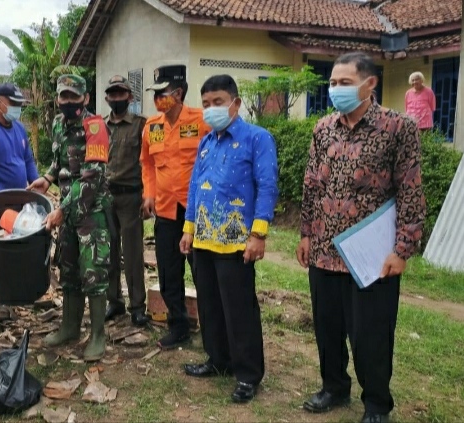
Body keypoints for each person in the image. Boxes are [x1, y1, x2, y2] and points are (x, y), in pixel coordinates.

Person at [297, 52, 425, 423]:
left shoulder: (398, 128)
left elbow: (411, 193)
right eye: (333, 83)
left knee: (371, 332)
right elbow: (311, 184)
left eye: (345, 83)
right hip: (323, 248)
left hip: (371, 255)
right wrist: (305, 233)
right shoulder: (323, 129)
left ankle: (376, 403)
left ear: (371, 84)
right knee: (327, 326)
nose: (336, 89)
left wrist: (402, 249)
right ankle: (334, 387)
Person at [180, 74, 278, 403]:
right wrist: (188, 230)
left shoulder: (257, 138)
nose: (211, 109)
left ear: (235, 102)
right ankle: (218, 359)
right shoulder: (207, 142)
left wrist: (258, 234)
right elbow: (195, 187)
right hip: (204, 239)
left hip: (237, 240)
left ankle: (248, 374)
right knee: (209, 305)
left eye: (218, 102)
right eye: (206, 104)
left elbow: (266, 186)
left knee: (239, 310)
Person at [28, 74, 111, 362]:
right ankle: (70, 327)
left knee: (93, 271)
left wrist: (62, 209)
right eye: (63, 97)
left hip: (91, 212)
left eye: (74, 97)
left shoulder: (96, 128)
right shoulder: (57, 124)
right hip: (66, 212)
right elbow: (59, 162)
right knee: (70, 268)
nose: (68, 102)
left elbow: (90, 177)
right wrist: (47, 178)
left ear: (85, 98)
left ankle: (98, 334)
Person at [140, 65, 211, 349]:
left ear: (178, 93)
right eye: (155, 94)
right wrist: (149, 193)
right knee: (169, 272)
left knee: (202, 271)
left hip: (197, 211)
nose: (157, 99)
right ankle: (178, 325)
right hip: (167, 211)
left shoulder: (202, 121)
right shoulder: (152, 127)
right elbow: (146, 163)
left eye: (162, 93)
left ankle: (212, 326)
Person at [102, 75, 149, 327]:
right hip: (108, 195)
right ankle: (115, 302)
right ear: (107, 98)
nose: (116, 98)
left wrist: (147, 195)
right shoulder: (100, 127)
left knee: (132, 255)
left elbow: (149, 163)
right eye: (112, 94)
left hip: (132, 196)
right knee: (109, 252)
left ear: (130, 97)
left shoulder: (142, 126)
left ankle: (137, 306)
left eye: (121, 93)